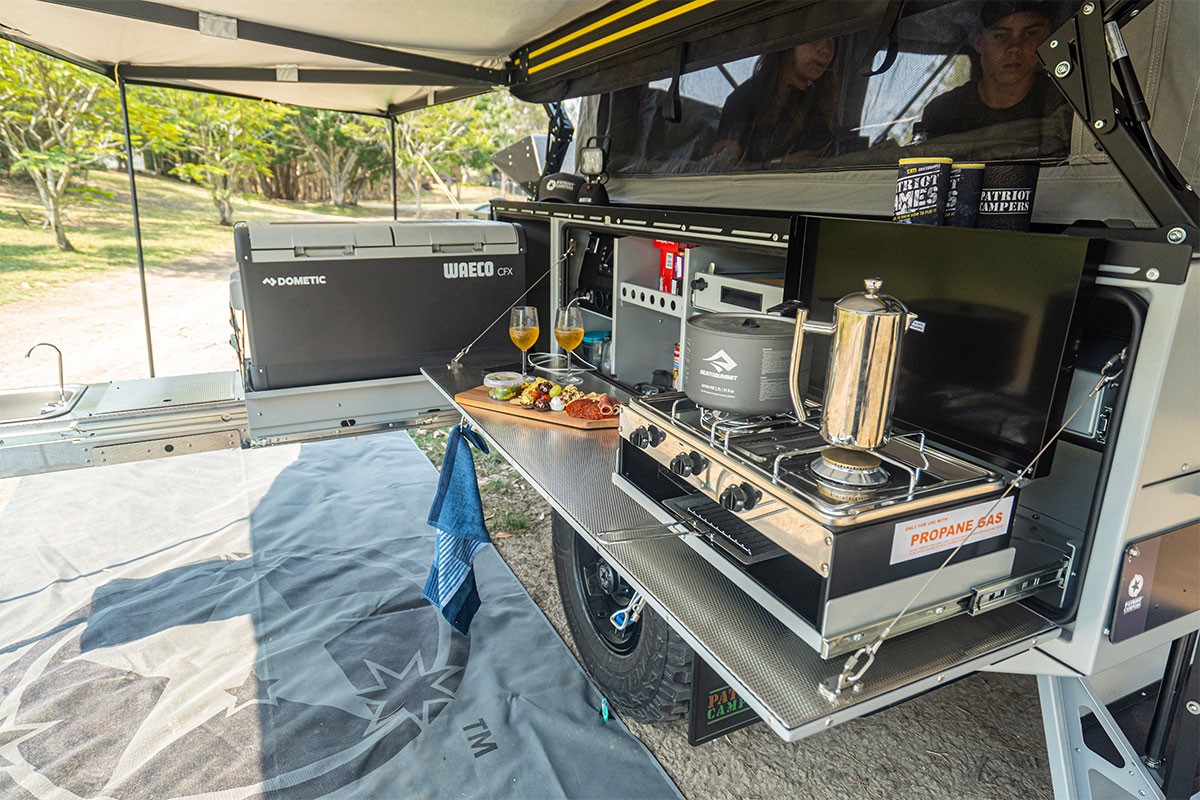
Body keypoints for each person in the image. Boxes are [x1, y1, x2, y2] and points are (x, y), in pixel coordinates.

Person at [920, 1, 1066, 139]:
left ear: (1047, 37)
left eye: (1031, 34)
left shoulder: (1063, 99)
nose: (1014, 48)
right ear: (979, 42)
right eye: (1000, 36)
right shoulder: (944, 112)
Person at [711, 38, 838, 167]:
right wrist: (781, 164)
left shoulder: (822, 103)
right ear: (787, 43)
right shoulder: (746, 97)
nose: (826, 51)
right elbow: (722, 168)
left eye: (831, 42)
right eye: (814, 39)